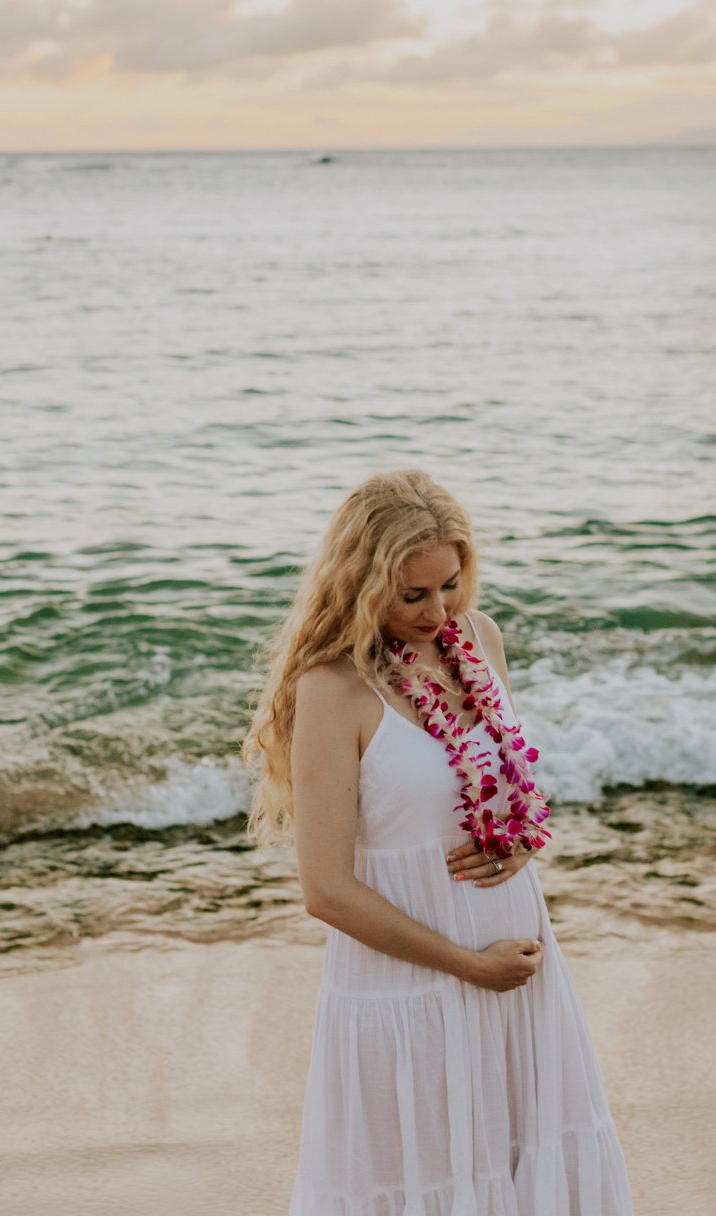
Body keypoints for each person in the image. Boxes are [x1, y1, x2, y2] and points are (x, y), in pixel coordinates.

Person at [243, 468, 635, 1215]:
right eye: (411, 594)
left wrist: (519, 843)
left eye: (449, 584)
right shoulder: (333, 689)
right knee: (425, 1179)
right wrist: (466, 966)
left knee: (527, 1159)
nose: (438, 610)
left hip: (517, 968)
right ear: (358, 583)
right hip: (409, 987)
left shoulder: (479, 639)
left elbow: (510, 789)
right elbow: (325, 889)